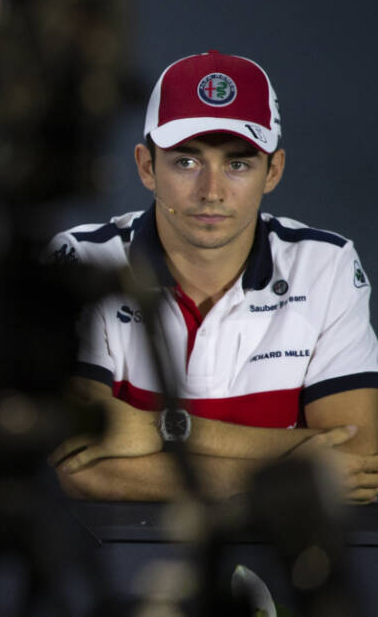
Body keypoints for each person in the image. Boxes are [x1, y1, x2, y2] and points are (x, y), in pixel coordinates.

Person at [51, 51, 378, 502]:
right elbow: (73, 463)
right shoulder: (83, 258)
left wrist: (159, 428)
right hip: (125, 561)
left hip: (280, 562)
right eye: (186, 161)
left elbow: (360, 464)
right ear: (147, 166)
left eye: (238, 164)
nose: (212, 191)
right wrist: (286, 479)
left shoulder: (327, 264)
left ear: (274, 171)